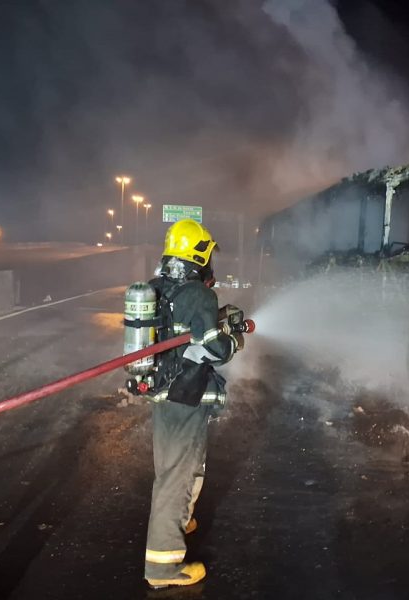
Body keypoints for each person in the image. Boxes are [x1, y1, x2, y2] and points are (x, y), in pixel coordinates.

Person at [142, 220, 243, 588]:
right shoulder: (198, 294)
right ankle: (163, 568)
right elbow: (215, 349)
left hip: (162, 392)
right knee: (177, 475)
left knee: (172, 467)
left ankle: (180, 517)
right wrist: (234, 340)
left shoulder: (156, 287)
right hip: (186, 396)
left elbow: (180, 335)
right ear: (198, 254)